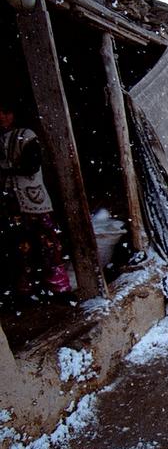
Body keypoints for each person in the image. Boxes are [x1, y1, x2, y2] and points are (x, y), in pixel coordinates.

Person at [0, 98, 72, 300]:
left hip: (34, 201)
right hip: (11, 204)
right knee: (20, 249)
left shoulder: (27, 136)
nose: (2, 117)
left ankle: (58, 288)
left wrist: (6, 170)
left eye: (6, 112)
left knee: (48, 244)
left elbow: (30, 165)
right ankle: (26, 290)